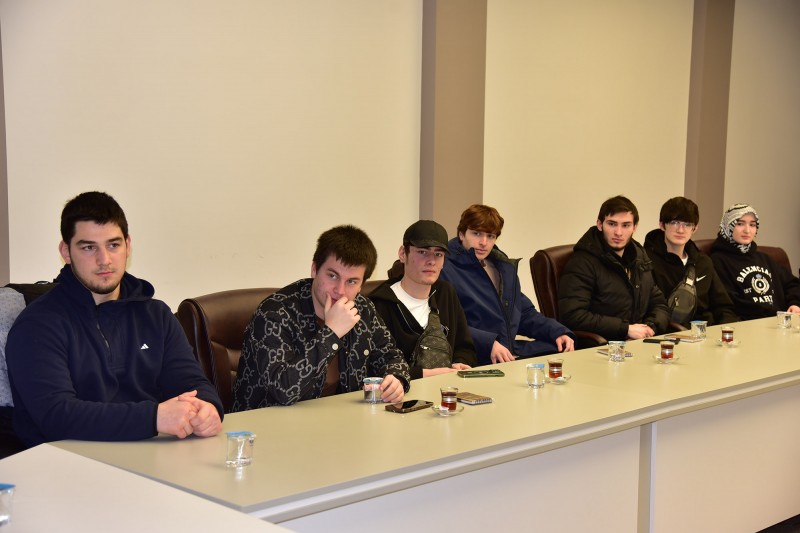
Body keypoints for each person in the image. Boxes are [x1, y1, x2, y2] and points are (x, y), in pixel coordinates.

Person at [6, 192, 223, 447]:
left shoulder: (156, 315)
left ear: (128, 245)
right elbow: (56, 416)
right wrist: (154, 418)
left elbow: (192, 383)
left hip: (150, 454)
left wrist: (206, 408)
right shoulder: (38, 325)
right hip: (66, 460)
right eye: (89, 247)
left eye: (113, 245)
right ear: (66, 251)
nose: (104, 260)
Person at [232, 225, 411, 411]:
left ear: (361, 286)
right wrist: (331, 333)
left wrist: (396, 379)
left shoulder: (363, 309)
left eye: (351, 282)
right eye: (332, 276)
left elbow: (392, 356)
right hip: (265, 424)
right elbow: (283, 390)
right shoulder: (274, 314)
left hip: (339, 420)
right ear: (314, 269)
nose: (340, 290)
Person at [440, 204, 575, 366]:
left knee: (562, 349)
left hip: (507, 352)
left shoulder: (503, 267)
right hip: (472, 355)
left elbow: (523, 313)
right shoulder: (443, 268)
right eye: (476, 233)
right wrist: (488, 343)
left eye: (490, 236)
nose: (483, 242)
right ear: (462, 234)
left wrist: (557, 332)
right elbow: (445, 322)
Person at [369, 220, 477, 379]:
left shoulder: (446, 293)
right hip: (401, 393)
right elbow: (372, 368)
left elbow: (465, 347)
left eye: (438, 254)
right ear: (402, 254)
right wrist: (422, 375)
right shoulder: (377, 305)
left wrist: (460, 362)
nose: (431, 261)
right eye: (422, 252)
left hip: (447, 387)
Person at [559, 195, 670, 341]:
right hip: (601, 346)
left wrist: (649, 328)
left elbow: (659, 304)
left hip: (638, 343)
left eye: (626, 225)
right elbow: (573, 315)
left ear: (635, 227)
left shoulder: (640, 258)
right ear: (600, 224)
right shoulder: (583, 262)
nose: (618, 232)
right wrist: (626, 329)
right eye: (612, 224)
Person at [643, 197, 739, 327]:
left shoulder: (703, 262)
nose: (681, 230)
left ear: (695, 228)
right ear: (662, 225)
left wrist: (724, 330)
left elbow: (724, 307)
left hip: (707, 331)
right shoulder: (646, 261)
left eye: (687, 224)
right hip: (669, 331)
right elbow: (648, 310)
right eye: (675, 223)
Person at [709, 204, 800, 320]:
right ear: (728, 226)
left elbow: (793, 284)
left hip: (781, 322)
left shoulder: (765, 258)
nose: (747, 230)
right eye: (740, 223)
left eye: (752, 225)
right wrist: (771, 313)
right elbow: (729, 301)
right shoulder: (718, 260)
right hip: (747, 324)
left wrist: (795, 304)